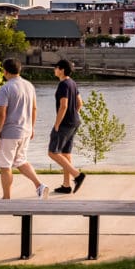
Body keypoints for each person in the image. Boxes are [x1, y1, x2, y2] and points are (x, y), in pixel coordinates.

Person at [0, 58, 48, 199]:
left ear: (5, 71)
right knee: (21, 161)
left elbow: (1, 114)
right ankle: (39, 186)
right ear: (19, 70)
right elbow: (34, 108)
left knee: (5, 166)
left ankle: (6, 198)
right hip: (25, 131)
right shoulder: (29, 86)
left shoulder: (5, 88)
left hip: (10, 133)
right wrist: (32, 128)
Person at [47, 59, 85, 194]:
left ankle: (77, 175)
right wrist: (74, 114)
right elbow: (80, 103)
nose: (54, 70)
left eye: (56, 68)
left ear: (62, 70)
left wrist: (57, 124)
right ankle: (66, 185)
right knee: (66, 154)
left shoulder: (63, 85)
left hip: (64, 124)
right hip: (74, 122)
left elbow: (63, 105)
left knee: (52, 152)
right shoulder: (73, 83)